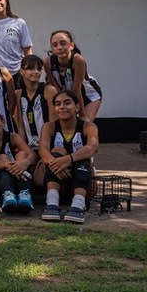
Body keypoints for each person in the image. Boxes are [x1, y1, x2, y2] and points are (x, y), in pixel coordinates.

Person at [39, 90, 100, 224]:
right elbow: (43, 150)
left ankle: (78, 206)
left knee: (83, 156)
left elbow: (93, 147)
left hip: (82, 180)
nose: (62, 107)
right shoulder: (49, 127)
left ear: (77, 107)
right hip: (58, 178)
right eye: (58, 104)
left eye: (67, 103)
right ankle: (52, 203)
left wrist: (68, 159)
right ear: (54, 109)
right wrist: (57, 164)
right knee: (55, 153)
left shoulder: (88, 126)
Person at [0, 109, 36, 214]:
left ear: (3, 121)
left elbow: (32, 154)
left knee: (22, 155)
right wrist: (7, 165)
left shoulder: (13, 137)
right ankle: (8, 194)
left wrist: (24, 163)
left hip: (19, 176)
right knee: (3, 157)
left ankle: (24, 193)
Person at [16, 54, 57, 187]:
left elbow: (53, 123)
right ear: (22, 71)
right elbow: (20, 125)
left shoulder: (48, 90)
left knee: (39, 181)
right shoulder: (18, 94)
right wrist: (26, 150)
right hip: (30, 147)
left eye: (39, 69)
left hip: (46, 145)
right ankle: (23, 192)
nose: (36, 72)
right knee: (20, 160)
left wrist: (45, 149)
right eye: (31, 69)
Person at [44, 30, 102, 122]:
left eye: (63, 43)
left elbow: (76, 89)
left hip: (87, 94)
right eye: (55, 45)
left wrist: (82, 115)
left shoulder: (78, 60)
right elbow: (55, 89)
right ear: (52, 48)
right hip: (66, 94)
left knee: (83, 125)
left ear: (71, 45)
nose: (59, 47)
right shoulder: (47, 63)